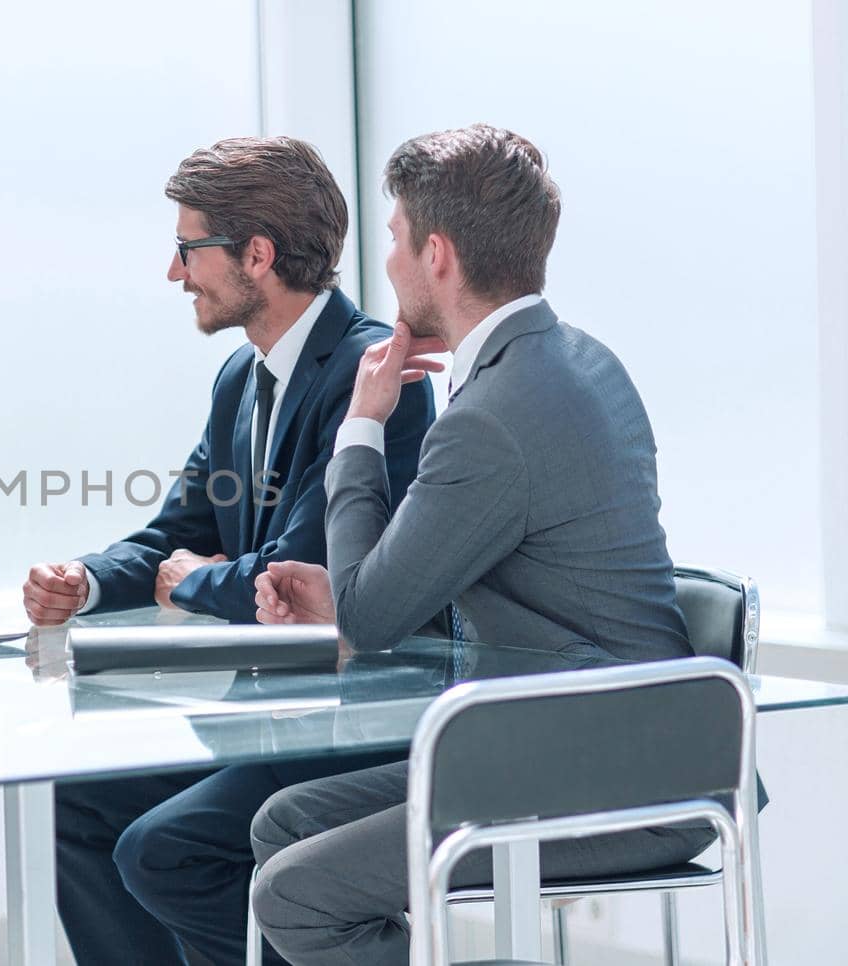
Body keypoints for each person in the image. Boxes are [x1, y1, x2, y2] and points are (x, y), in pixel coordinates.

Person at [250, 124, 713, 965]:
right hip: (624, 741)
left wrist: (360, 427)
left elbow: (369, 617)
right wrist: (361, 593)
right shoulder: (581, 361)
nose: (383, 261)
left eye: (392, 238)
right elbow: (520, 585)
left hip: (625, 778)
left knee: (293, 894)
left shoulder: (492, 419)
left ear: (437, 255)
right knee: (286, 822)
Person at [38, 137, 435, 965]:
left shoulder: (374, 378)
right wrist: (85, 583)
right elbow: (181, 530)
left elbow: (292, 575)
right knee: (78, 803)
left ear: (256, 255)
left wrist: (190, 586)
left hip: (348, 729)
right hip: (264, 719)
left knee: (162, 848)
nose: (175, 273)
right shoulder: (240, 378)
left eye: (189, 250)